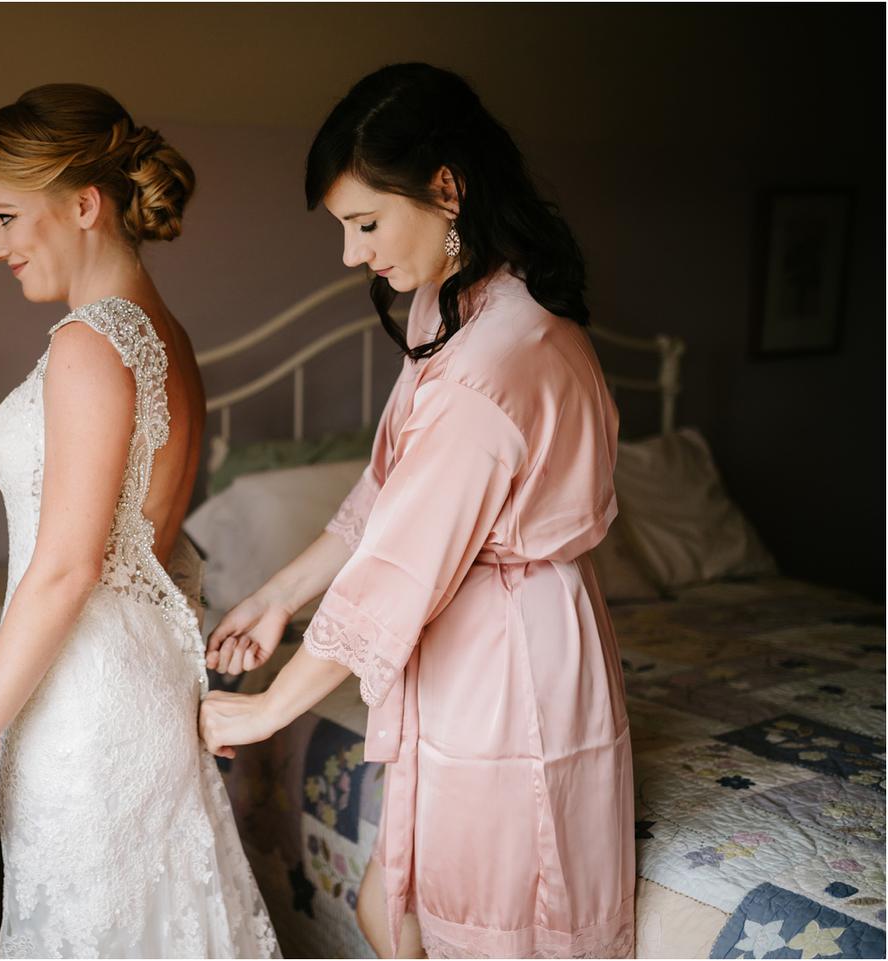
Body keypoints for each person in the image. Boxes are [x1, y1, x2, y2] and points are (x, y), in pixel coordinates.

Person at [199, 63, 634, 959]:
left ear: (446, 189)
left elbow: (395, 574)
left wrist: (267, 708)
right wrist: (277, 595)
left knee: (466, 926)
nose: (350, 254)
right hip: (487, 646)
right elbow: (387, 493)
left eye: (366, 223)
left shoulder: (493, 365)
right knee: (395, 910)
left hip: (509, 666)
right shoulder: (460, 303)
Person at [0, 83, 280, 960]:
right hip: (135, 686)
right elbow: (149, 545)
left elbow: (67, 566)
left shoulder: (91, 344)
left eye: (5, 217)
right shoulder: (166, 336)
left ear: (85, 204)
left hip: (86, 705)